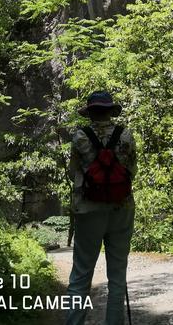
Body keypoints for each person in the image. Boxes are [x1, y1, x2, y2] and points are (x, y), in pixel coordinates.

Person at [65, 90, 137, 325]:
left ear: (90, 112)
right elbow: (132, 171)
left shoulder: (80, 137)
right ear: (110, 111)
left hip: (88, 209)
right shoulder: (125, 135)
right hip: (121, 208)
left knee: (81, 275)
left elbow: (73, 172)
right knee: (117, 277)